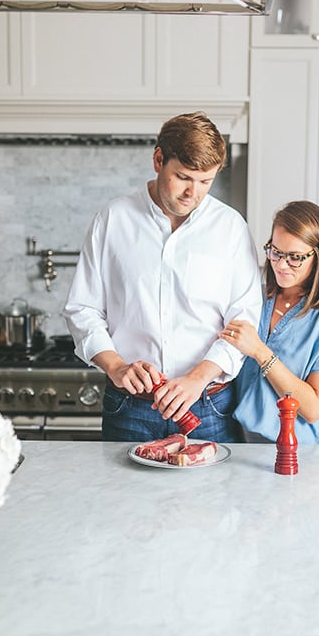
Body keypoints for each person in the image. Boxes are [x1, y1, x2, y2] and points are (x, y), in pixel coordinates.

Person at [63, 111, 262, 443]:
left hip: (208, 405)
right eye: (183, 177)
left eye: (205, 181)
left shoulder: (230, 228)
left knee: (215, 497)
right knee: (122, 496)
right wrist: (114, 365)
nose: (193, 193)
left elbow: (244, 320)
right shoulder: (113, 219)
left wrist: (198, 378)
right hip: (129, 407)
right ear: (158, 159)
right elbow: (82, 308)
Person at [220, 200, 319, 444]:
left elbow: (313, 409)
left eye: (295, 257)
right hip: (242, 447)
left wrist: (260, 352)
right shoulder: (253, 300)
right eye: (276, 252)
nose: (281, 264)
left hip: (302, 455)